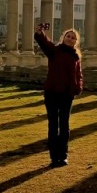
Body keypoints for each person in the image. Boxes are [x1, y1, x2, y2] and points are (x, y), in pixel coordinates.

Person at [34, 25, 83, 167]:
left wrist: (78, 88)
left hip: (67, 94)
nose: (70, 39)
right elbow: (45, 43)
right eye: (68, 36)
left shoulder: (76, 57)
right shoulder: (55, 51)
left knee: (64, 125)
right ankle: (54, 157)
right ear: (63, 38)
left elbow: (79, 74)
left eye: (73, 38)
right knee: (53, 124)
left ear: (76, 42)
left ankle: (63, 155)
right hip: (52, 92)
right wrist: (39, 33)